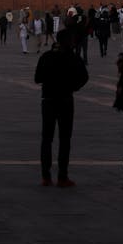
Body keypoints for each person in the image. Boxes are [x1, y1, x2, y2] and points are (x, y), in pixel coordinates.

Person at [34, 27, 89, 187]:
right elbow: (84, 77)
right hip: (65, 100)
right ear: (67, 41)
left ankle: (46, 176)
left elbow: (37, 78)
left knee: (46, 139)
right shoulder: (73, 58)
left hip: (48, 100)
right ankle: (62, 177)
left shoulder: (46, 56)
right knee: (65, 139)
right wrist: (73, 87)